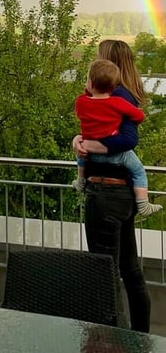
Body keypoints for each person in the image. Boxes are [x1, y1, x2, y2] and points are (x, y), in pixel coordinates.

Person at [73, 39, 152, 332]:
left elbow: (128, 140)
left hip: (106, 193)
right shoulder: (119, 96)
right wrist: (79, 140)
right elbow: (94, 130)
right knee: (129, 269)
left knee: (104, 272)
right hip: (121, 193)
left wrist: (90, 144)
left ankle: (112, 340)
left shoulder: (119, 96)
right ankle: (140, 338)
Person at [72, 58, 160, 219]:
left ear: (90, 83)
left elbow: (81, 110)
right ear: (113, 87)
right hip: (117, 155)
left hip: (91, 155)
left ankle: (80, 181)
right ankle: (143, 203)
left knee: (80, 155)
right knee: (139, 171)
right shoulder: (117, 102)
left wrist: (89, 90)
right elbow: (139, 116)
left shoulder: (81, 102)